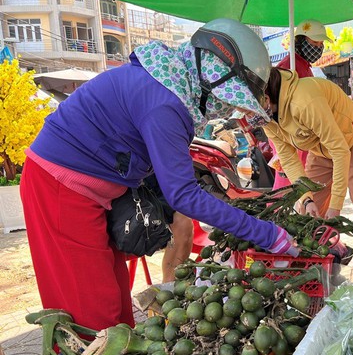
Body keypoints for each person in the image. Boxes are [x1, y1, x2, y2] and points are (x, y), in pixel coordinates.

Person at [20, 18, 297, 332]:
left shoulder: (167, 84)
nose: (225, 108)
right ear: (210, 80)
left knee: (115, 301)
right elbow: (184, 194)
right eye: (226, 98)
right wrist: (265, 234)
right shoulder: (164, 103)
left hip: (91, 191)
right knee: (92, 314)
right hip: (59, 188)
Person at [262, 68, 353, 227]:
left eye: (247, 109)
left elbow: (340, 150)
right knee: (309, 215)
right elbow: (289, 160)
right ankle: (328, 248)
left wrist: (335, 206)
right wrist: (306, 199)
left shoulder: (304, 100)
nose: (247, 116)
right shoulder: (266, 118)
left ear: (265, 99)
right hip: (320, 150)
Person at [270, 19, 332, 190]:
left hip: (302, 135)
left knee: (300, 184)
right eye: (314, 42)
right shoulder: (288, 67)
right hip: (290, 137)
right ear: (300, 41)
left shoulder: (304, 66)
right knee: (289, 187)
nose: (318, 47)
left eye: (321, 43)